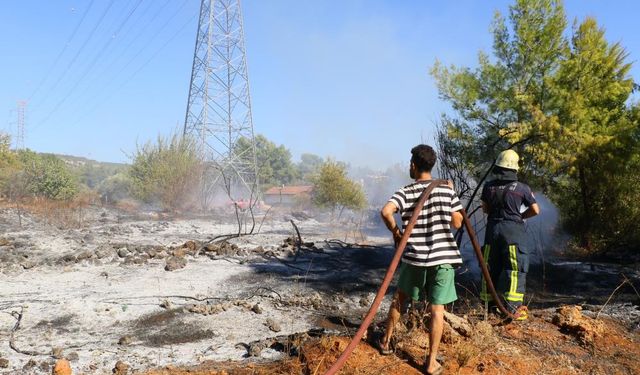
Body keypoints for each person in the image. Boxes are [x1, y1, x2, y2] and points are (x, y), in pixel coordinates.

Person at [379, 144, 463, 375]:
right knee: (437, 310)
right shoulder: (446, 190)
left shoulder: (405, 191)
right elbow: (457, 223)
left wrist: (397, 233)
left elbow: (386, 211)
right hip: (442, 259)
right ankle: (431, 362)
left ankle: (386, 342)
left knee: (400, 298)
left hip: (415, 258)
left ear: (414, 165)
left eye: (410, 164)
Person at [480, 149, 540, 320]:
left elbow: (485, 210)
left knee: (489, 267)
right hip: (514, 233)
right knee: (515, 269)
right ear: (515, 168)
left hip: (493, 231)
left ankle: (488, 308)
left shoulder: (488, 187)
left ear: (498, 166)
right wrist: (520, 216)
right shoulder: (523, 188)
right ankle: (512, 310)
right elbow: (535, 210)